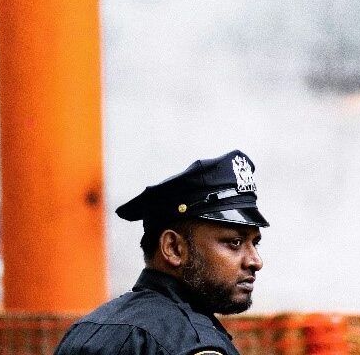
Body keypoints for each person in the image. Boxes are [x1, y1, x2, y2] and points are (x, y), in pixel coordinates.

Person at [55, 150, 269, 355]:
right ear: (173, 248)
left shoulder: (86, 331)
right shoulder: (194, 344)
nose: (255, 261)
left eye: (255, 243)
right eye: (235, 242)